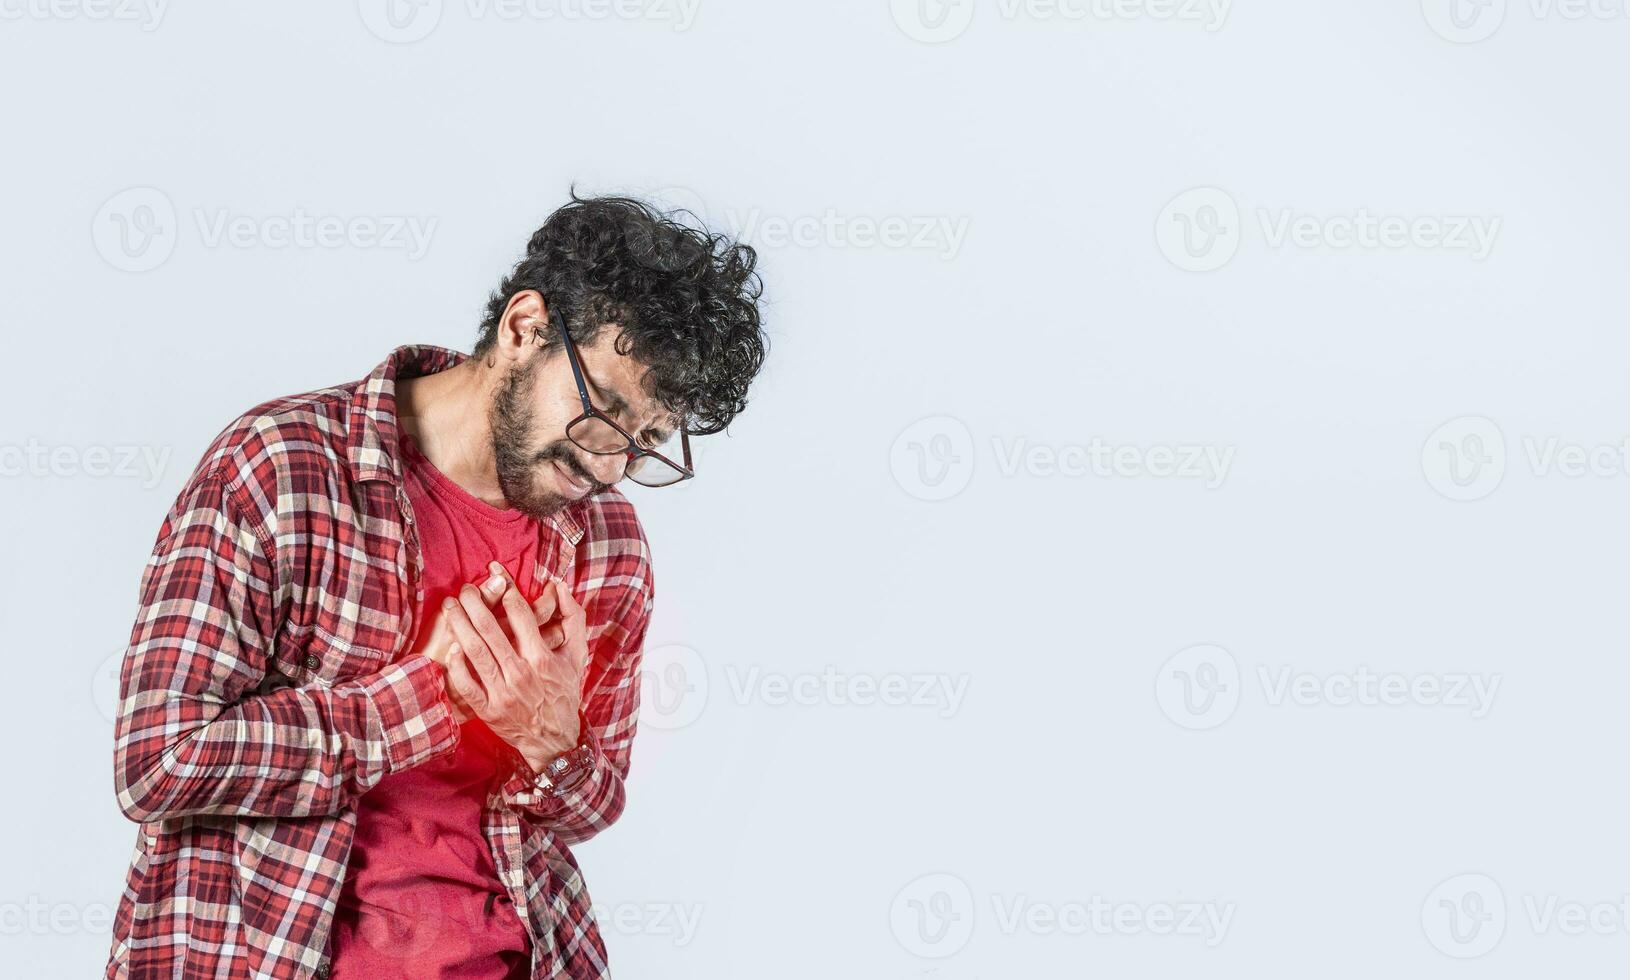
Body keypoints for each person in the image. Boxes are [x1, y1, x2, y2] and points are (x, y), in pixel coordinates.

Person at [104, 192, 768, 979]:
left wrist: (550, 738)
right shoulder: (281, 470)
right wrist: (423, 697)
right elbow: (158, 762)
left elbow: (590, 808)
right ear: (524, 329)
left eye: (646, 440)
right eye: (603, 412)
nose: (607, 465)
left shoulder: (610, 548)